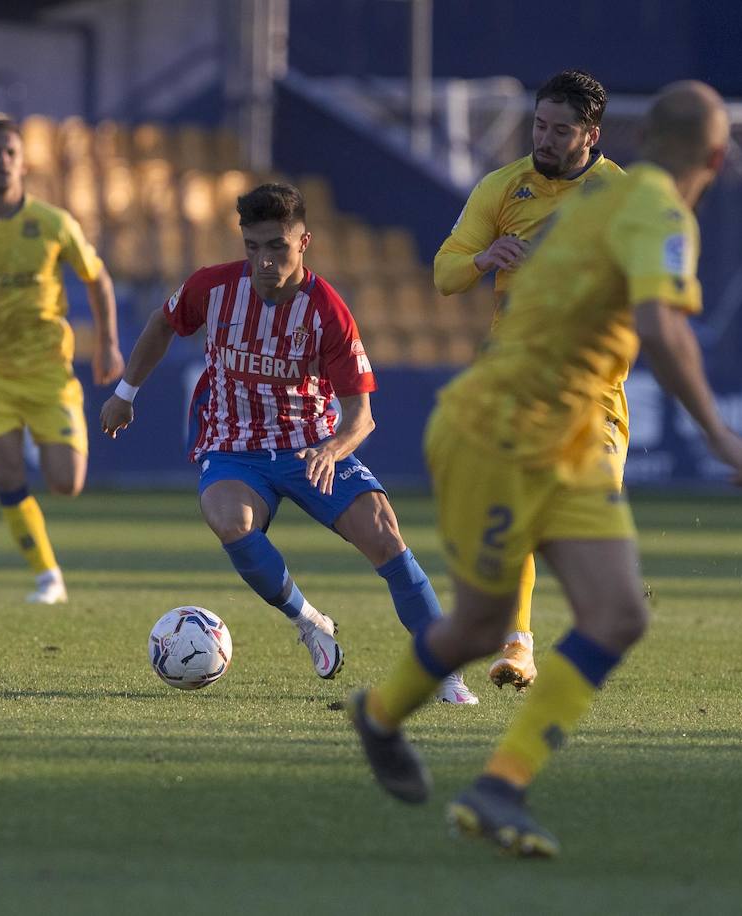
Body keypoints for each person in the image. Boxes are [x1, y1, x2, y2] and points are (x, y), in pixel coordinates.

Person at [349, 81, 742, 857]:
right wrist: (721, 436)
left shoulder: (603, 200)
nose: (543, 137)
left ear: (626, 139)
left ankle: (494, 783)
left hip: (567, 425)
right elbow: (662, 329)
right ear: (717, 156)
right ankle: (381, 716)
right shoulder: (656, 211)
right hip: (503, 422)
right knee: (485, 624)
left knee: (610, 615)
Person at [100, 182, 476, 704]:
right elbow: (163, 323)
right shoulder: (213, 288)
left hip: (311, 445)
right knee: (230, 520)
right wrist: (126, 392)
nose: (264, 260)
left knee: (385, 536)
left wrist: (331, 450)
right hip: (233, 444)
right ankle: (307, 620)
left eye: (277, 246)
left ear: (305, 242)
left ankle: (443, 671)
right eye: (252, 246)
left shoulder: (328, 313)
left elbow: (362, 417)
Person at [434, 69, 624, 690]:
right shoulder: (502, 187)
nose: (544, 138)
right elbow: (445, 271)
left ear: (590, 135)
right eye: (539, 125)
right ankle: (518, 644)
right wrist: (484, 259)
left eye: (560, 130)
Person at [0, 117, 125, 604]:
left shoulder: (52, 223)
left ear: (22, 161)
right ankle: (48, 577)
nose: (2, 161)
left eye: (10, 153)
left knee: (67, 484)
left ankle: (43, 443)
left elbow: (97, 279)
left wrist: (107, 344)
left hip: (47, 372)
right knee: (6, 469)